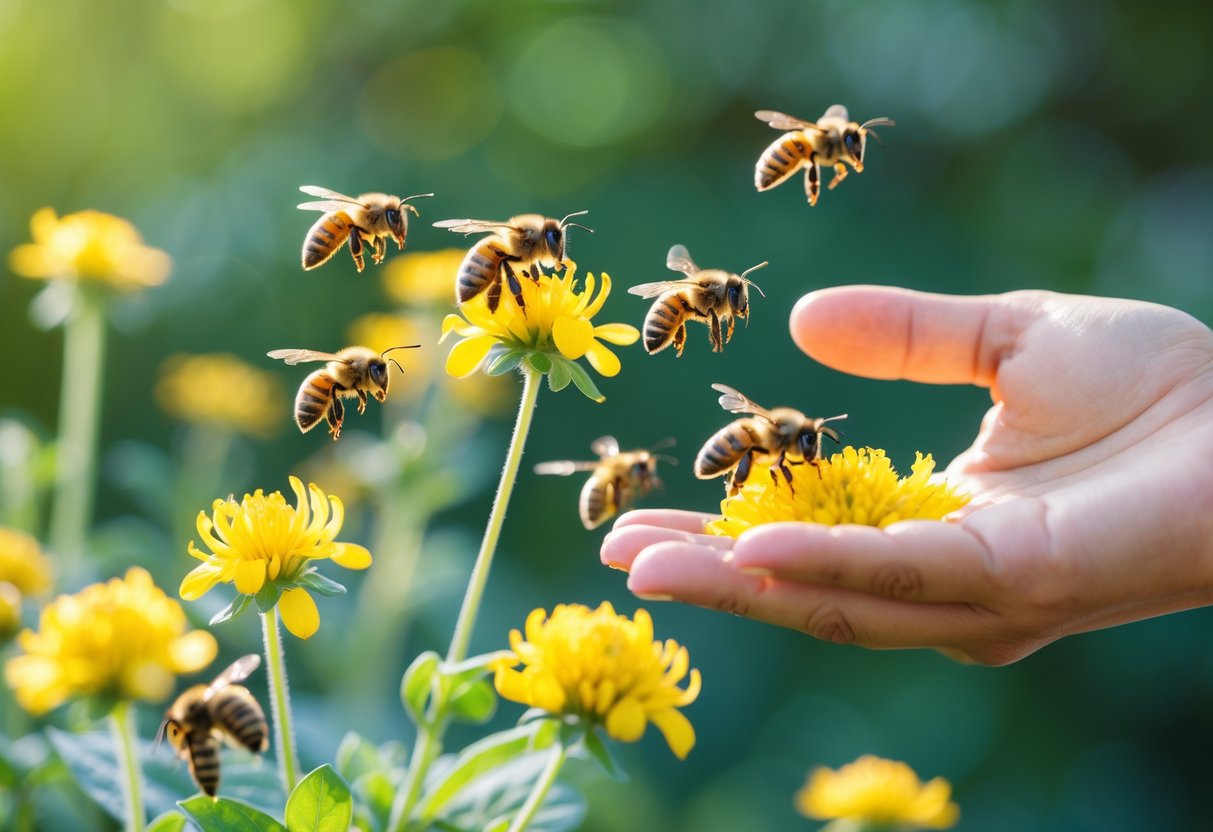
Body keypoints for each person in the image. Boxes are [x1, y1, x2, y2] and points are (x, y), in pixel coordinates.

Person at [600, 285, 1213, 665]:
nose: (813, 455)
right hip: (744, 451)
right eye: (808, 446)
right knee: (748, 461)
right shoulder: (779, 441)